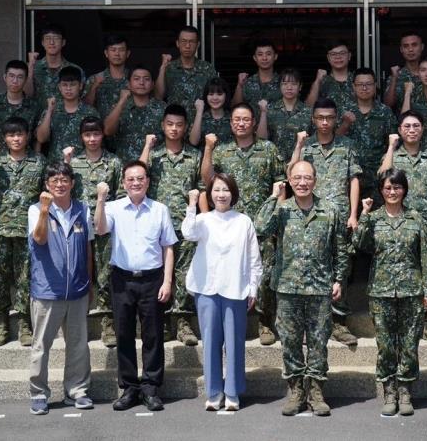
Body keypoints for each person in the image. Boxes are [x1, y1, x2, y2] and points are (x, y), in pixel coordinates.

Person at [256, 161, 351, 417]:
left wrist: (339, 279)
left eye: (307, 177)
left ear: (315, 180)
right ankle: (297, 390)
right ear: (289, 179)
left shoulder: (329, 211)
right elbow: (261, 227)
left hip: (320, 289)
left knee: (319, 343)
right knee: (290, 342)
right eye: (296, 178)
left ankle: (317, 392)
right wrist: (274, 197)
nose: (302, 182)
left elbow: (340, 248)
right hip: (288, 288)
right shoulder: (281, 211)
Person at [96, 161, 178, 412]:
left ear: (148, 181)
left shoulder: (159, 209)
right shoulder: (113, 207)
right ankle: (130, 388)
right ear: (123, 183)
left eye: (140, 178)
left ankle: (151, 388)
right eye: (130, 179)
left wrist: (167, 281)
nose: (135, 183)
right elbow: (99, 229)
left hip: (152, 279)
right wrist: (100, 200)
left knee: (153, 334)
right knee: (124, 333)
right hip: (122, 279)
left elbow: (168, 247)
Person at [201, 103, 285, 345]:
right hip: (229, 224)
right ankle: (231, 319)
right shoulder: (222, 151)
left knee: (265, 272)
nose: (241, 123)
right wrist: (208, 149)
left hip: (262, 224)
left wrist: (276, 218)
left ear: (254, 122)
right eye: (236, 119)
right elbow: (207, 179)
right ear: (230, 123)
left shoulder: (268, 150)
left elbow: (280, 185)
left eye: (246, 119)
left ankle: (265, 322)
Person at [353, 169, 427, 417]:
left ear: (404, 189)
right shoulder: (375, 218)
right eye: (388, 188)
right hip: (381, 290)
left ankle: (405, 390)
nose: (392, 192)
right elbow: (357, 244)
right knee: (386, 345)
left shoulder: (415, 218)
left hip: (412, 290)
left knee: (410, 344)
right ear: (381, 190)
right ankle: (389, 390)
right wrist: (365, 214)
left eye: (397, 187)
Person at [181, 176, 262, 412]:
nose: (221, 194)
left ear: (233, 193)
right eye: (216, 190)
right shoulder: (203, 219)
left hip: (235, 288)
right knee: (210, 342)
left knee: (235, 342)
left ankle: (233, 392)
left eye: (226, 190)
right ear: (210, 193)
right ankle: (214, 392)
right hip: (206, 289)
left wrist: (253, 287)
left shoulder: (243, 221)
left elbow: (254, 258)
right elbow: (188, 233)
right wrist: (192, 204)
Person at [290, 98, 362, 346]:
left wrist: (354, 214)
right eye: (320, 117)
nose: (324, 122)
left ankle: (339, 323)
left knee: (342, 267)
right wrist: (299, 145)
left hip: (341, 215)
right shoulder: (307, 147)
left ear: (336, 119)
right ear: (313, 119)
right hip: (313, 216)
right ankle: (311, 322)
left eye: (329, 117)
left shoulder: (347, 145)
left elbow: (354, 179)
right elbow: (292, 173)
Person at [27, 162, 94, 415]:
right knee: (41, 345)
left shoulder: (82, 210)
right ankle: (39, 394)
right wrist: (45, 211)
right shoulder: (36, 210)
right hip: (47, 290)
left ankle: (77, 391)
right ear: (47, 185)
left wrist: (89, 282)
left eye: (64, 179)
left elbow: (88, 248)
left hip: (77, 290)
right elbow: (40, 239)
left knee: (78, 344)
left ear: (72, 183)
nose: (59, 184)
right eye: (54, 180)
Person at [378, 111, 427, 344]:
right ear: (399, 130)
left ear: (423, 129)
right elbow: (383, 176)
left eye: (416, 125)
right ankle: (409, 318)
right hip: (400, 223)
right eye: (406, 126)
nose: (411, 130)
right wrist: (391, 147)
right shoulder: (393, 157)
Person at [0, 117, 46, 347]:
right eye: (11, 135)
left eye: (20, 134)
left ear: (27, 136)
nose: (16, 139)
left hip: (27, 230)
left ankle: (25, 323)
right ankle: (2, 324)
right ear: (4, 138)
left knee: (26, 277)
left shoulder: (39, 161)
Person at [139, 104, 204, 346]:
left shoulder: (194, 156)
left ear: (185, 127)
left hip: (185, 223)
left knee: (185, 273)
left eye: (179, 124)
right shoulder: (154, 157)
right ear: (163, 126)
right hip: (157, 224)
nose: (174, 129)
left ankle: (183, 321)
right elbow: (139, 172)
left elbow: (202, 187)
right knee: (158, 272)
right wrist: (147, 146)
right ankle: (163, 319)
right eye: (170, 124)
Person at [65, 117, 123, 348]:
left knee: (106, 272)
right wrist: (66, 161)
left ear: (102, 135)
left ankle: (108, 324)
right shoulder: (74, 162)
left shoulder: (114, 162)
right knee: (80, 270)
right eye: (87, 135)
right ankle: (80, 322)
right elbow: (64, 189)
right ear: (81, 137)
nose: (92, 139)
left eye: (96, 134)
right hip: (79, 226)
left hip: (106, 225)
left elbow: (120, 195)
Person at [345, 67, 397, 204]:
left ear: (375, 86)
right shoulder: (344, 111)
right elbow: (333, 139)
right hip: (350, 178)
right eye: (360, 85)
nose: (364, 88)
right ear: (353, 87)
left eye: (368, 84)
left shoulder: (385, 113)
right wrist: (345, 123)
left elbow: (394, 144)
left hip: (377, 179)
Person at [156, 25, 219, 123]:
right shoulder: (169, 67)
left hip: (202, 123)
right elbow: (159, 96)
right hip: (175, 125)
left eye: (192, 42)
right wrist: (163, 67)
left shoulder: (207, 68)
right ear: (177, 43)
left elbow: (216, 96)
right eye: (184, 41)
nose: (187, 46)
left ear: (198, 44)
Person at [35, 66, 99, 162]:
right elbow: (41, 138)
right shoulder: (52, 110)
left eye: (72, 85)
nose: (68, 89)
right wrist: (49, 111)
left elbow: (97, 142)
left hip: (83, 167)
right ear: (59, 87)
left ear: (80, 86)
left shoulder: (90, 112)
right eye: (64, 85)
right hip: (57, 169)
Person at [104, 65, 167, 162]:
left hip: (156, 165)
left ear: (152, 84)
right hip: (126, 166)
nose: (141, 83)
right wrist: (122, 101)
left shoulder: (162, 109)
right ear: (129, 84)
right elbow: (107, 131)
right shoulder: (118, 108)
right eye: (136, 79)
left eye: (146, 79)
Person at [0, 59, 41, 145]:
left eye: (20, 77)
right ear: (5, 77)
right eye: (11, 76)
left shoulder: (34, 106)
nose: (15, 81)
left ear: (25, 80)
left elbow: (39, 138)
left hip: (25, 156)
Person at [24, 23, 84, 109]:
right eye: (48, 38)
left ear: (63, 42)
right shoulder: (32, 67)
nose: (52, 42)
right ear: (42, 43)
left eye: (56, 38)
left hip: (66, 120)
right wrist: (30, 67)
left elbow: (81, 100)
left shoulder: (75, 69)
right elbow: (26, 95)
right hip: (38, 120)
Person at [258, 67, 312, 161]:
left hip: (300, 164)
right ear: (279, 86)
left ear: (300, 87)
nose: (289, 87)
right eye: (285, 84)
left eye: (294, 84)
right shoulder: (269, 110)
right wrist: (263, 113)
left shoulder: (308, 111)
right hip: (274, 163)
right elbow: (261, 139)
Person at [383, 32, 427, 109]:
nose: (410, 49)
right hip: (405, 120)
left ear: (422, 47)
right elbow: (387, 105)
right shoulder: (396, 75)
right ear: (401, 49)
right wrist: (394, 77)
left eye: (414, 45)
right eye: (406, 46)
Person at [84, 34, 132, 125]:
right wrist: (94, 87)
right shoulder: (94, 79)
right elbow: (84, 107)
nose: (117, 54)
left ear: (128, 53)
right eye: (113, 50)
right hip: (100, 133)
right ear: (106, 53)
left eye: (121, 50)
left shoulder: (135, 79)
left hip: (128, 132)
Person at [305, 41, 357, 115]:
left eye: (342, 53)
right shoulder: (322, 81)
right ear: (328, 58)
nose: (338, 57)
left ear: (349, 56)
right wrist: (317, 81)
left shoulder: (358, 79)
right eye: (333, 54)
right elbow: (308, 108)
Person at [234, 38, 282, 111]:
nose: (264, 58)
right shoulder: (247, 82)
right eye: (260, 54)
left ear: (275, 56)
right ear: (255, 58)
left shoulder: (283, 82)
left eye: (268, 54)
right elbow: (236, 107)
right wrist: (239, 86)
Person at [188, 76, 233, 147]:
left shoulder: (233, 117)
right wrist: (199, 112)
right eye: (211, 94)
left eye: (219, 94)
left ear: (226, 96)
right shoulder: (198, 117)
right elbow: (193, 142)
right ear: (206, 96)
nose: (215, 98)